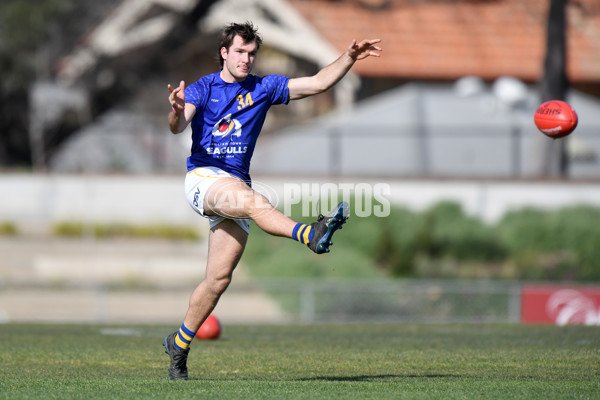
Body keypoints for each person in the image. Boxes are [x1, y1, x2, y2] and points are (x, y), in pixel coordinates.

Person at [163, 21, 381, 380]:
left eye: (251, 53)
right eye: (239, 52)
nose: (246, 59)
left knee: (218, 280)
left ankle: (179, 344)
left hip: (236, 185)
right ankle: (310, 234)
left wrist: (349, 58)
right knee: (254, 201)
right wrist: (175, 108)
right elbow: (177, 125)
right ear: (224, 52)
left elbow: (318, 83)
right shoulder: (204, 87)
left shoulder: (265, 86)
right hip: (204, 179)